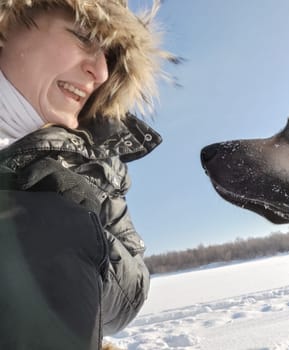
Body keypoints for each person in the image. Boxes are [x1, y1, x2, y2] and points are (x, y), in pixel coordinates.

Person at [0, 1, 173, 349]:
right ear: (8, 21)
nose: (101, 71)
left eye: (107, 54)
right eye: (84, 36)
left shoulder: (95, 160)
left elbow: (128, 297)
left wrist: (80, 229)